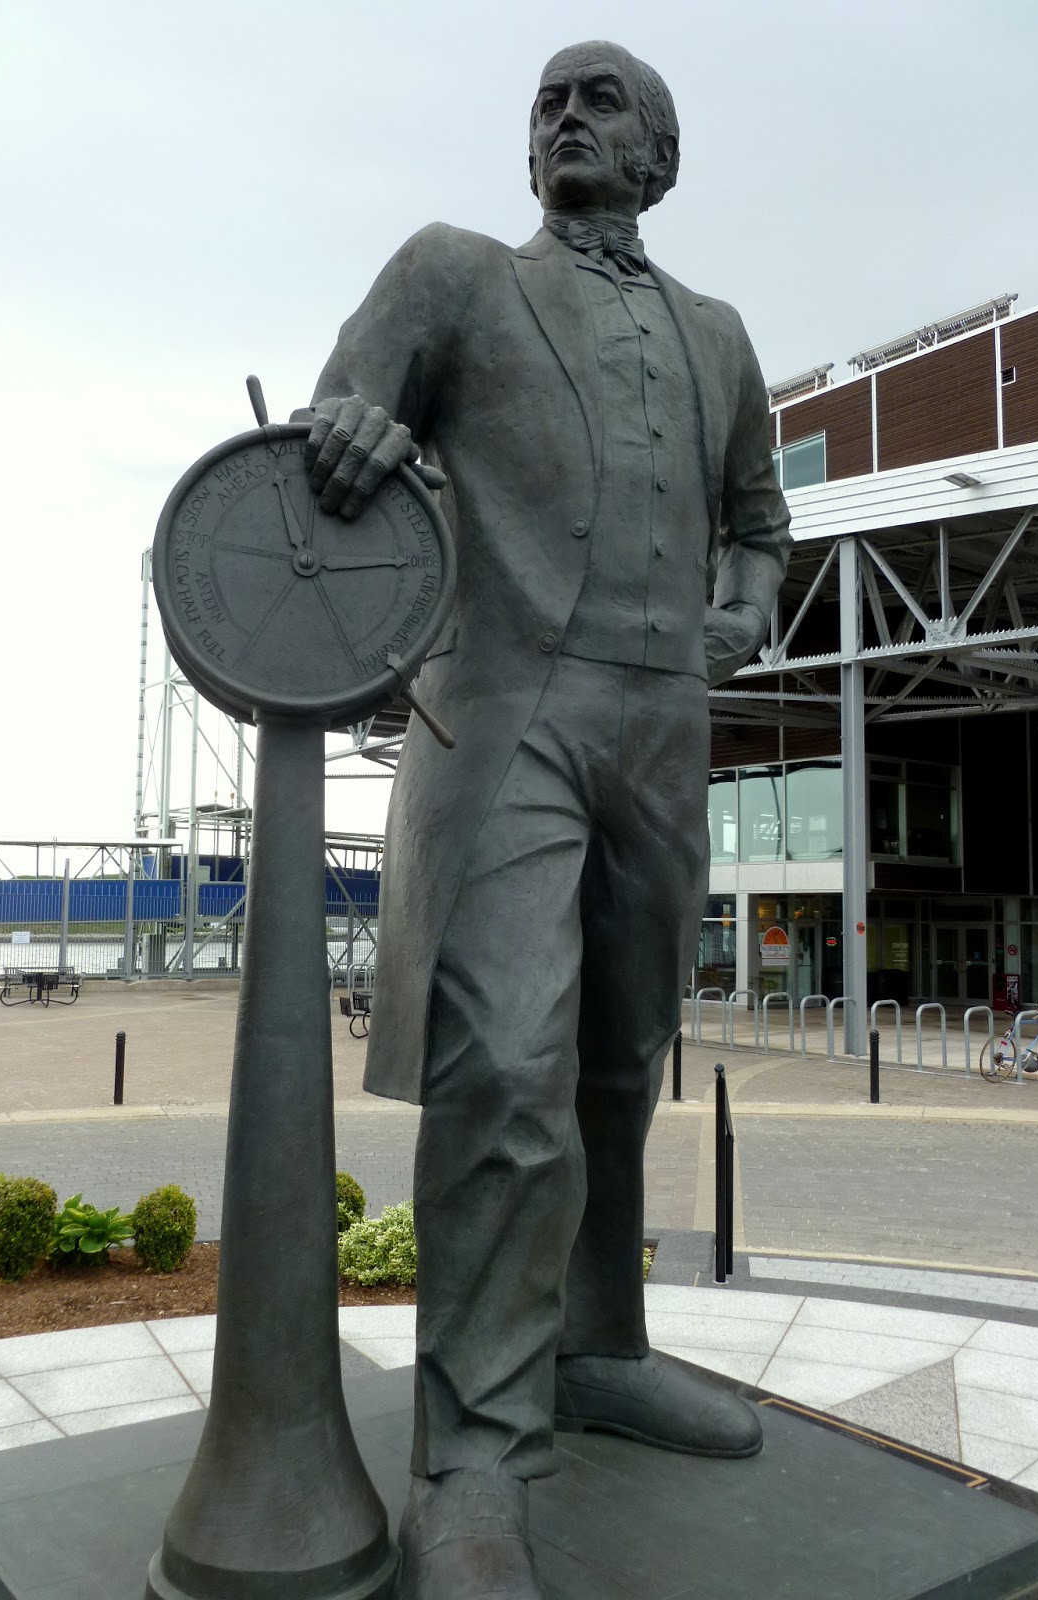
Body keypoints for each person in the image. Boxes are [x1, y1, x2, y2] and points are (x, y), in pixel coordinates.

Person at [297, 40, 792, 1599]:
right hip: (505, 708)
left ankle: (596, 1348)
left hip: (663, 726)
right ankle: (477, 1455)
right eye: (547, 104)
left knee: (617, 1059)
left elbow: (763, 524)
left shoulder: (718, 336)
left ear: (660, 156)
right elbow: (334, 421)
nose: (566, 118)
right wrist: (357, 437)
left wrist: (748, 610)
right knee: (506, 1062)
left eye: (602, 102)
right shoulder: (452, 277)